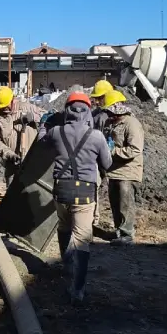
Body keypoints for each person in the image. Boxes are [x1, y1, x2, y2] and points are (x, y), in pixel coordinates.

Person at [38, 92, 112, 304]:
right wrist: (107, 146)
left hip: (61, 190)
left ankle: (66, 265)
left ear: (66, 110)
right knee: (81, 240)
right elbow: (107, 165)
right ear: (88, 110)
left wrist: (44, 123)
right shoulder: (96, 136)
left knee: (63, 226)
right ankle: (77, 290)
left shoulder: (57, 132)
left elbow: (41, 141)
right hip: (85, 194)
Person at [102, 90, 145, 246]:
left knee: (124, 202)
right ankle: (119, 230)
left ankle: (127, 233)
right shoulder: (110, 123)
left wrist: (112, 151)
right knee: (115, 202)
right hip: (113, 169)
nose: (107, 114)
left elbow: (135, 149)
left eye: (109, 110)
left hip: (128, 170)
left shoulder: (131, 124)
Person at [0, 86, 44, 186]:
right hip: (13, 165)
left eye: (6, 105)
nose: (4, 108)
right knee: (12, 197)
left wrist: (35, 117)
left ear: (13, 99)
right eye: (2, 106)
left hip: (32, 162)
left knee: (32, 195)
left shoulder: (28, 108)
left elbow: (48, 117)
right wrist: (10, 155)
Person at [88, 79, 113, 225]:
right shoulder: (96, 114)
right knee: (94, 187)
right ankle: (94, 219)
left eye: (99, 98)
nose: (96, 102)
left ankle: (96, 220)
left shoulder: (107, 116)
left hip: (106, 157)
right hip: (96, 157)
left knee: (107, 189)